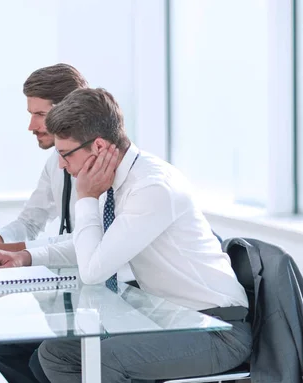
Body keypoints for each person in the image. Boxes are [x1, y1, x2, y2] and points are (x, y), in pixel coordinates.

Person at [30, 87, 251, 382]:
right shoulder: (122, 182)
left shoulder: (151, 187)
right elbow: (96, 247)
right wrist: (27, 255)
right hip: (167, 320)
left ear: (97, 147)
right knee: (56, 354)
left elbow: (93, 270)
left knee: (107, 361)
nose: (60, 164)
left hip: (215, 328)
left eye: (64, 154)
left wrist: (85, 197)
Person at [0, 63, 87, 267]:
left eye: (40, 115)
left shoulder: (103, 162)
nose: (31, 126)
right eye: (31, 114)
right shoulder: (54, 161)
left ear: (68, 112)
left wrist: (12, 250)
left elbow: (87, 241)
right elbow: (31, 220)